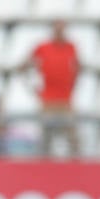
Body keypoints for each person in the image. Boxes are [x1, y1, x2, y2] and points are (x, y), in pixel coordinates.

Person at [23, 20, 82, 158]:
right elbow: (24, 67)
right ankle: (45, 164)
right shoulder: (42, 47)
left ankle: (75, 165)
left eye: (62, 29)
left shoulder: (71, 47)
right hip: (48, 100)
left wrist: (73, 84)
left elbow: (78, 67)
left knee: (72, 136)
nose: (60, 32)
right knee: (46, 136)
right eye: (57, 29)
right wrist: (33, 89)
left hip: (66, 100)